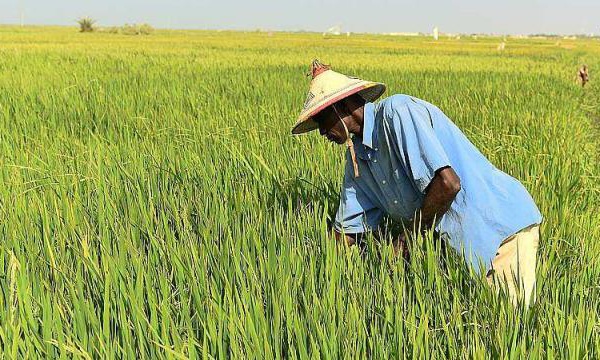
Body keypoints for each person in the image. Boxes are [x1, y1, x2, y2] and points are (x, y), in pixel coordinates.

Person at [291, 60, 543, 307]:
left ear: (340, 106)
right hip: (463, 247)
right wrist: (314, 276)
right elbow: (347, 230)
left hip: (499, 231)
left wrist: (405, 240)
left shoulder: (398, 112)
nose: (322, 132)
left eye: (321, 121)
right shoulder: (358, 159)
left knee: (511, 330)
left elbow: (448, 184)